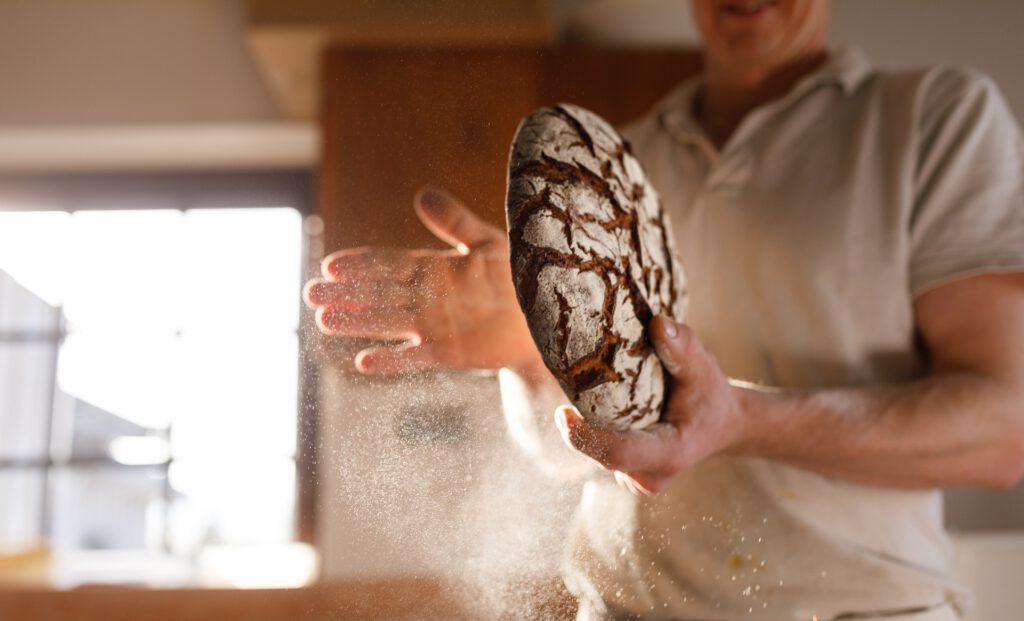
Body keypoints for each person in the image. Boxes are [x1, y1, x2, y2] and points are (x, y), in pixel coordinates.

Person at [304, 0, 1024, 618]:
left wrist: (740, 420)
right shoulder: (616, 163)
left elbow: (1002, 431)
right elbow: (575, 454)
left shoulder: (934, 120)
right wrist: (530, 351)